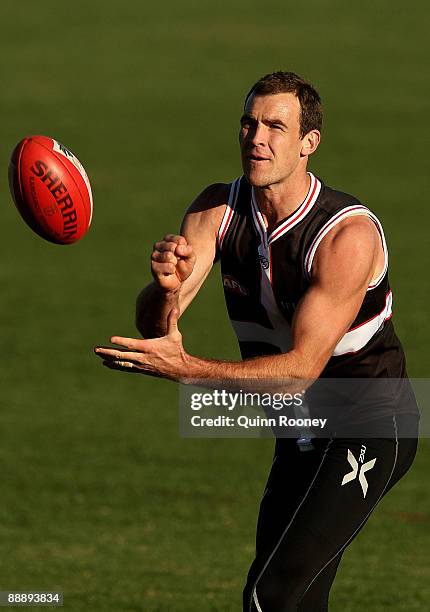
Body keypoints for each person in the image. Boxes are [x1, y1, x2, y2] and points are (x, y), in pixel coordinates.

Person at [95, 72, 419, 611]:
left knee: (270, 596)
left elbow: (299, 373)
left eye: (276, 126)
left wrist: (187, 371)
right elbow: (159, 327)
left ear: (308, 143)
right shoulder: (217, 211)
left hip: (370, 423)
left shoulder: (345, 235)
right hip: (299, 430)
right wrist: (163, 290)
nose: (257, 138)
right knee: (296, 598)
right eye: (249, 123)